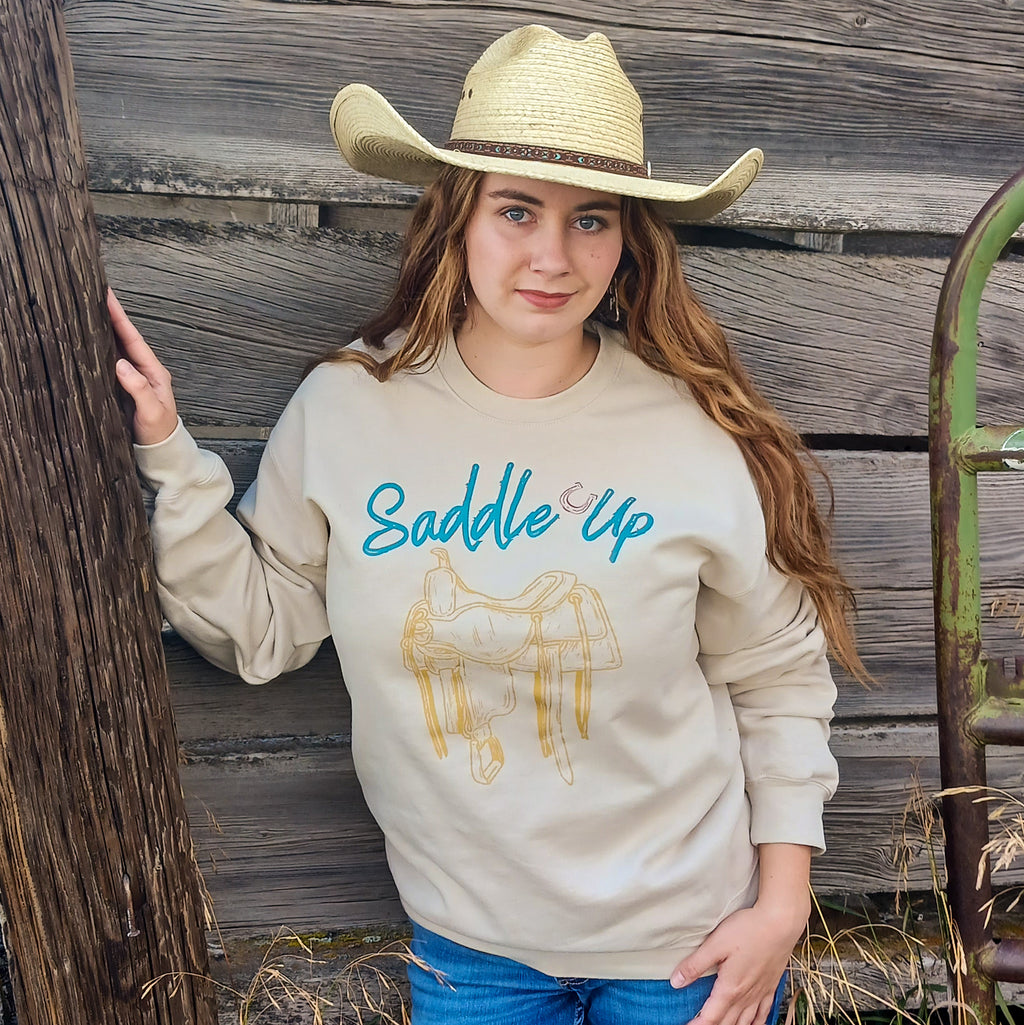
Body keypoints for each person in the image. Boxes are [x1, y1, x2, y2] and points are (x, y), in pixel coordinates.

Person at [110, 24, 866, 1025]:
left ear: (627, 238)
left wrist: (781, 902)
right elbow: (260, 632)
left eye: (591, 220)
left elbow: (776, 673)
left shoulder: (687, 427)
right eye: (517, 211)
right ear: (456, 218)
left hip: (690, 949)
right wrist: (170, 451)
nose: (553, 256)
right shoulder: (348, 410)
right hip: (474, 956)